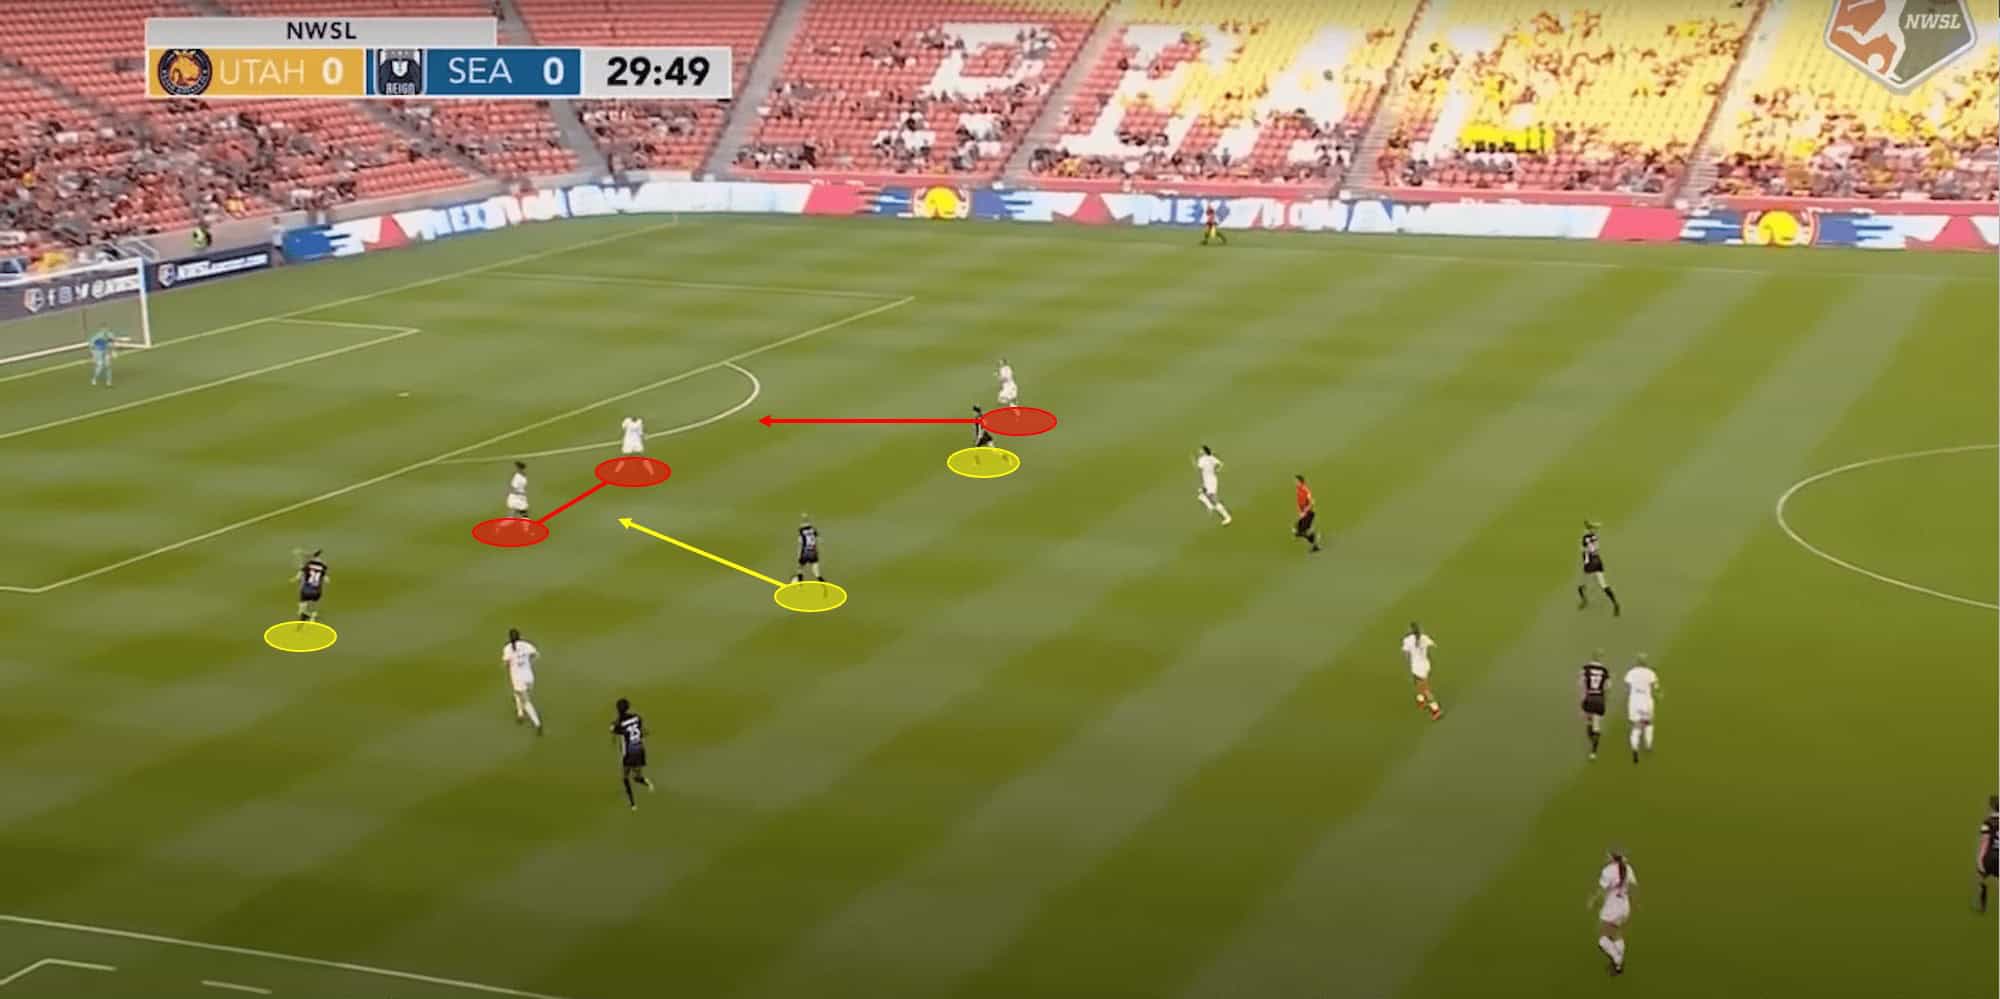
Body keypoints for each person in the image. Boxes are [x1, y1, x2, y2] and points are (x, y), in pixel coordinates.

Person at [1589, 850, 1636, 975]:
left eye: (1608, 855)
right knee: (1617, 934)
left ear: (1612, 857)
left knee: (1603, 938)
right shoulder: (1628, 868)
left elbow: (1601, 890)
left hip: (1612, 907)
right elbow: (1633, 888)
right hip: (1624, 906)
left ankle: (1617, 960)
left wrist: (1593, 900)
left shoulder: (1608, 871)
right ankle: (1618, 964)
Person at [611, 698, 653, 810]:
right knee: (637, 777)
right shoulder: (637, 717)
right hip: (640, 750)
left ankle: (632, 803)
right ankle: (647, 783)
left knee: (625, 777)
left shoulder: (618, 724)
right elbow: (643, 731)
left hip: (629, 753)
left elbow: (614, 730)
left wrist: (613, 726)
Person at [502, 628, 543, 735]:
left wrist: (512, 665)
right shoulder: (526, 644)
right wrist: (528, 662)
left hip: (518, 679)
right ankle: (520, 713)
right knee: (517, 694)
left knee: (526, 702)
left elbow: (506, 662)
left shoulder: (507, 648)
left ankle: (537, 723)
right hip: (529, 676)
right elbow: (536, 655)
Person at [1577, 520, 1621, 616]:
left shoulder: (1585, 539)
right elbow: (1596, 528)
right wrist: (1593, 526)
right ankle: (1615, 603)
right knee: (1604, 585)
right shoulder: (1595, 537)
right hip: (1598, 563)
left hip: (1590, 564)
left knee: (1580, 586)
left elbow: (1585, 549)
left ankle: (1584, 600)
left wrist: (1589, 527)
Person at [1400, 622, 1443, 720]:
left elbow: (1406, 654)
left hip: (1417, 668)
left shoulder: (1407, 640)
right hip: (1426, 665)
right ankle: (1421, 699)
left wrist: (1410, 660)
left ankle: (1436, 710)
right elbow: (1434, 645)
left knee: (1425, 689)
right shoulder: (1424, 637)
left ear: (1410, 630)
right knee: (1418, 683)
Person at [1623, 654, 1659, 763]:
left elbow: (1627, 687)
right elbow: (1655, 688)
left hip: (1634, 701)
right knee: (1648, 723)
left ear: (1637, 662)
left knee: (1636, 726)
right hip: (1646, 700)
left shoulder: (1631, 672)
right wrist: (1658, 695)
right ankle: (1648, 745)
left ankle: (1635, 748)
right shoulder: (1650, 673)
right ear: (1645, 663)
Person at [1579, 652, 1611, 759]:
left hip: (1589, 698)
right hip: (1599, 699)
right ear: (1600, 659)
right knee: (1596, 725)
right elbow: (1608, 687)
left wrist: (1582, 700)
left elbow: (1582, 684)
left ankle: (1592, 740)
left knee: (1589, 722)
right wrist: (1605, 700)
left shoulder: (1585, 668)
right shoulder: (1605, 670)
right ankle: (1593, 752)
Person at [1195, 445, 1231, 525]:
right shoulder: (1211, 457)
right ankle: (1210, 506)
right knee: (1201, 495)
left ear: (1204, 451)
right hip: (1212, 479)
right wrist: (1217, 470)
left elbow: (1199, 469)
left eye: (1201, 450)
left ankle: (1227, 517)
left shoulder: (1201, 460)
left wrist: (1202, 483)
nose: (1199, 451)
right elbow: (1221, 464)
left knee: (1213, 498)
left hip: (1208, 481)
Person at [1977, 795, 1998, 913]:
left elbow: (1984, 842)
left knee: (1982, 878)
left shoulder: (1987, 822)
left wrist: (1980, 861)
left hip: (1990, 858)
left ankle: (1982, 906)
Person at [294, 549, 327, 621]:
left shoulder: (307, 565)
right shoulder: (323, 566)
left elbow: (298, 577)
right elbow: (326, 579)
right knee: (314, 604)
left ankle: (302, 612)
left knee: (302, 601)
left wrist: (296, 578)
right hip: (317, 590)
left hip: (306, 589)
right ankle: (313, 616)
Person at [1293, 475, 1321, 552]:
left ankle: (1315, 541)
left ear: (1300, 482)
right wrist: (1300, 512)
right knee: (1297, 530)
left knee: (1301, 531)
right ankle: (1314, 540)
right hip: (1303, 514)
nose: (1295, 482)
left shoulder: (1306, 490)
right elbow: (1299, 502)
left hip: (1309, 513)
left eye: (1296, 481)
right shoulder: (1298, 489)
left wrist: (1305, 511)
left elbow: (1312, 502)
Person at [791, 515, 823, 582]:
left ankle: (800, 581)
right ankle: (820, 580)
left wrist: (799, 555)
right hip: (813, 552)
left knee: (800, 567)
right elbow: (819, 539)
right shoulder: (813, 530)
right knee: (815, 568)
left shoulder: (802, 532)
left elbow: (800, 543)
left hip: (805, 552)